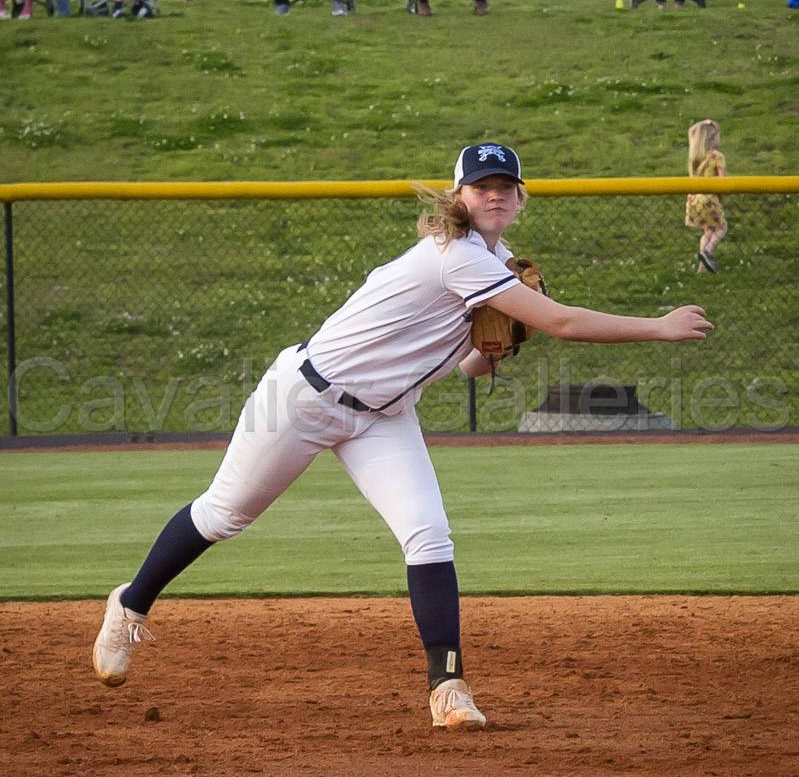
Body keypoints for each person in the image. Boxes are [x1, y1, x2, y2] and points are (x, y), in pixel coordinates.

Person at [92, 142, 712, 730]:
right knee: (223, 514)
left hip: (383, 415)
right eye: (481, 186)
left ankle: (448, 689)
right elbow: (565, 322)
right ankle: (130, 604)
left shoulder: (495, 266)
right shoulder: (458, 254)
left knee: (428, 534)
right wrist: (658, 326)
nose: (494, 195)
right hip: (303, 396)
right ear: (459, 195)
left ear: (520, 197)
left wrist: (499, 352)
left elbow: (470, 365)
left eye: (504, 186)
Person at [686, 119, 728, 273]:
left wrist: (703, 123)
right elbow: (723, 182)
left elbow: (691, 131)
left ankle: (702, 268)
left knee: (708, 231)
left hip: (694, 199)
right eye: (717, 135)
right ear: (712, 138)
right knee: (722, 228)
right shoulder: (717, 156)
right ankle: (708, 251)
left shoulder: (695, 154)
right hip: (709, 199)